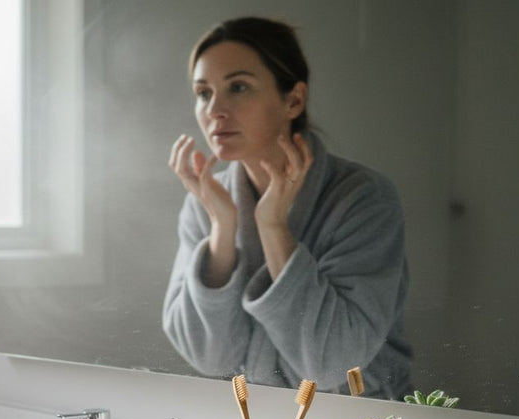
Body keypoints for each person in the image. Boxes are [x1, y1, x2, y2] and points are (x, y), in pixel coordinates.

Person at [161, 17, 412, 399]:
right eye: (203, 92)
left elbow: (332, 363)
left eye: (238, 87)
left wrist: (273, 227)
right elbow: (208, 358)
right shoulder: (206, 202)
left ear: (293, 99)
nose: (214, 110)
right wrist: (222, 230)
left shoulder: (362, 198)